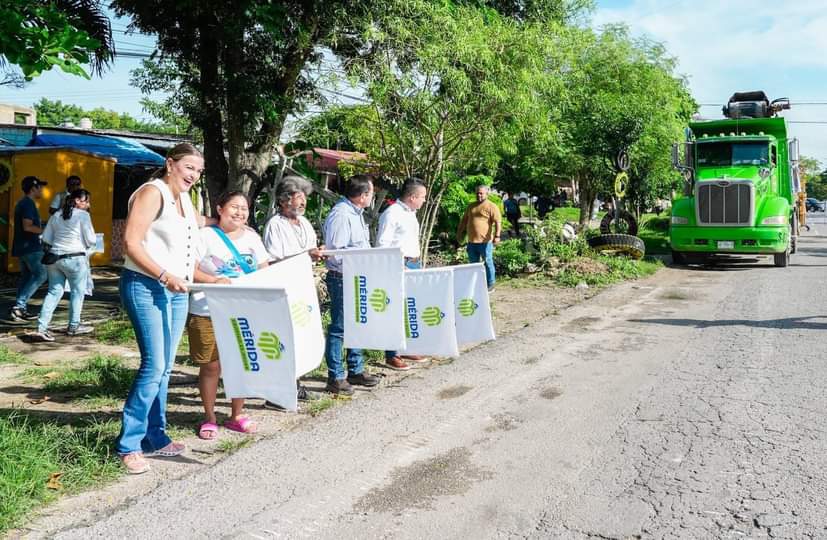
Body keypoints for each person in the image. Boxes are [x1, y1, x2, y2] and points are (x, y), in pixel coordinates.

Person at [116, 143, 207, 475]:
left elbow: (206, 223)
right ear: (170, 164)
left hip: (177, 290)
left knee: (166, 368)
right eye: (189, 168)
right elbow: (130, 242)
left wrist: (236, 217)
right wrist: (164, 275)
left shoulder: (184, 197)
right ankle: (129, 444)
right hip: (146, 285)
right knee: (154, 366)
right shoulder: (151, 192)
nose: (194, 176)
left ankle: (156, 434)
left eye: (199, 171)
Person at [189, 191, 270, 440]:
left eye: (244, 208)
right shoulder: (204, 236)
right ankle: (210, 417)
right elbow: (189, 271)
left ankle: (236, 415)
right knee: (211, 366)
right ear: (220, 208)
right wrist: (214, 281)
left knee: (240, 364)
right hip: (206, 309)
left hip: (243, 310)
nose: (240, 212)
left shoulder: (253, 239)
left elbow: (264, 269)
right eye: (234, 207)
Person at [260, 176, 325, 410]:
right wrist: (307, 255)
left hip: (304, 287)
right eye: (300, 198)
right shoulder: (275, 225)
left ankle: (295, 385)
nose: (304, 202)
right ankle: (277, 393)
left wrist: (316, 253)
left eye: (305, 198)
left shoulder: (304, 222)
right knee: (284, 339)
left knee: (301, 337)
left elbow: (308, 249)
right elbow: (274, 260)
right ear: (284, 200)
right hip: (284, 287)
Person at [322, 175, 381, 395]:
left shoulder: (356, 214)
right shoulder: (341, 215)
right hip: (342, 277)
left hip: (357, 277)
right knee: (339, 328)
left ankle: (355, 369)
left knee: (357, 323)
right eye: (371, 193)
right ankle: (335, 376)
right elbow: (336, 252)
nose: (372, 197)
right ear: (363, 195)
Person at [375, 178, 429, 371]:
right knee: (395, 311)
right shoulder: (392, 214)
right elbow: (383, 244)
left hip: (413, 264)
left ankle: (406, 347)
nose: (424, 201)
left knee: (409, 308)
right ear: (412, 197)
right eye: (422, 197)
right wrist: (398, 266)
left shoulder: (411, 213)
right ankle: (392, 354)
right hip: (400, 266)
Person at [32, 189, 97, 341]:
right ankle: (73, 326)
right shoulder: (83, 215)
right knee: (77, 292)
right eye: (86, 201)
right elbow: (91, 240)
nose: (88, 204)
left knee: (54, 292)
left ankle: (41, 327)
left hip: (54, 259)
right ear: (77, 201)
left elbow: (47, 238)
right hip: (75, 259)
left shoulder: (56, 215)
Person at [10, 176, 48, 322]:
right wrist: (45, 231)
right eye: (40, 187)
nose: (42, 190)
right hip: (30, 247)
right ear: (34, 188)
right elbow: (27, 226)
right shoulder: (28, 204)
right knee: (41, 274)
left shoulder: (23, 203)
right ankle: (19, 306)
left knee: (26, 278)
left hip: (23, 247)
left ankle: (20, 310)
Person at [456, 184, 501, 291]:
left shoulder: (491, 206)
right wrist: (459, 233)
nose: (479, 195)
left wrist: (497, 236)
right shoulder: (471, 206)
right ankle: (476, 284)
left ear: (487, 194)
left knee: (488, 262)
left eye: (481, 193)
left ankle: (491, 284)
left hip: (485, 242)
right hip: (472, 241)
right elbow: (464, 221)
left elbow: (498, 222)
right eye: (477, 193)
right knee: (473, 264)